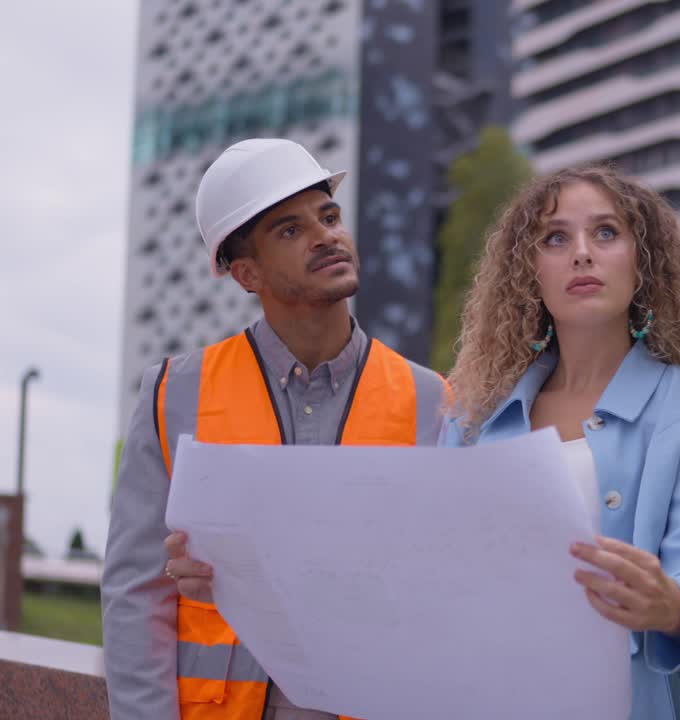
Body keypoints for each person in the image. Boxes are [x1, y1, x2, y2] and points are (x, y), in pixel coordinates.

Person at [101, 138, 450, 720]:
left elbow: (445, 591)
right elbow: (136, 594)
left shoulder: (431, 399)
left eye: (329, 216)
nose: (326, 236)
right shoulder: (173, 393)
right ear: (246, 272)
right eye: (290, 230)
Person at [442, 165, 680, 718]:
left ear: (644, 260)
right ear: (528, 271)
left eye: (606, 232)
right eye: (555, 238)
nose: (581, 253)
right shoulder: (470, 420)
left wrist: (673, 604)